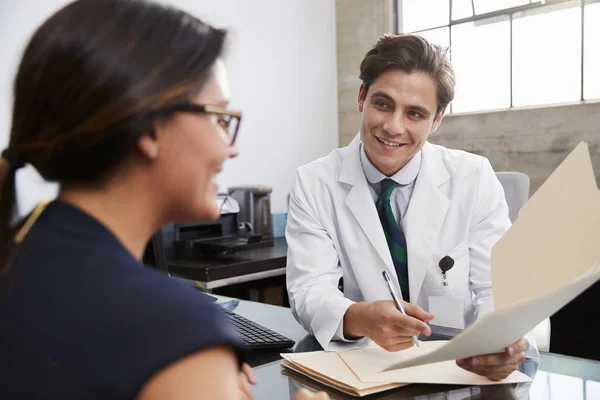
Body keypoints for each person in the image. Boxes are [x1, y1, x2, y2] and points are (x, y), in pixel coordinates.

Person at [0, 1, 328, 399]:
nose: (229, 148)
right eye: (219, 118)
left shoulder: (16, 261)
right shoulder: (174, 330)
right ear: (150, 127)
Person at [286, 34, 534, 381]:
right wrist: (360, 317)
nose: (393, 126)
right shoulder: (314, 182)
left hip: (460, 370)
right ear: (362, 97)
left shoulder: (473, 177)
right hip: (365, 367)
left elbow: (500, 288)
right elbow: (309, 289)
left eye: (415, 113)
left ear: (437, 119)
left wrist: (502, 344)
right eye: (383, 104)